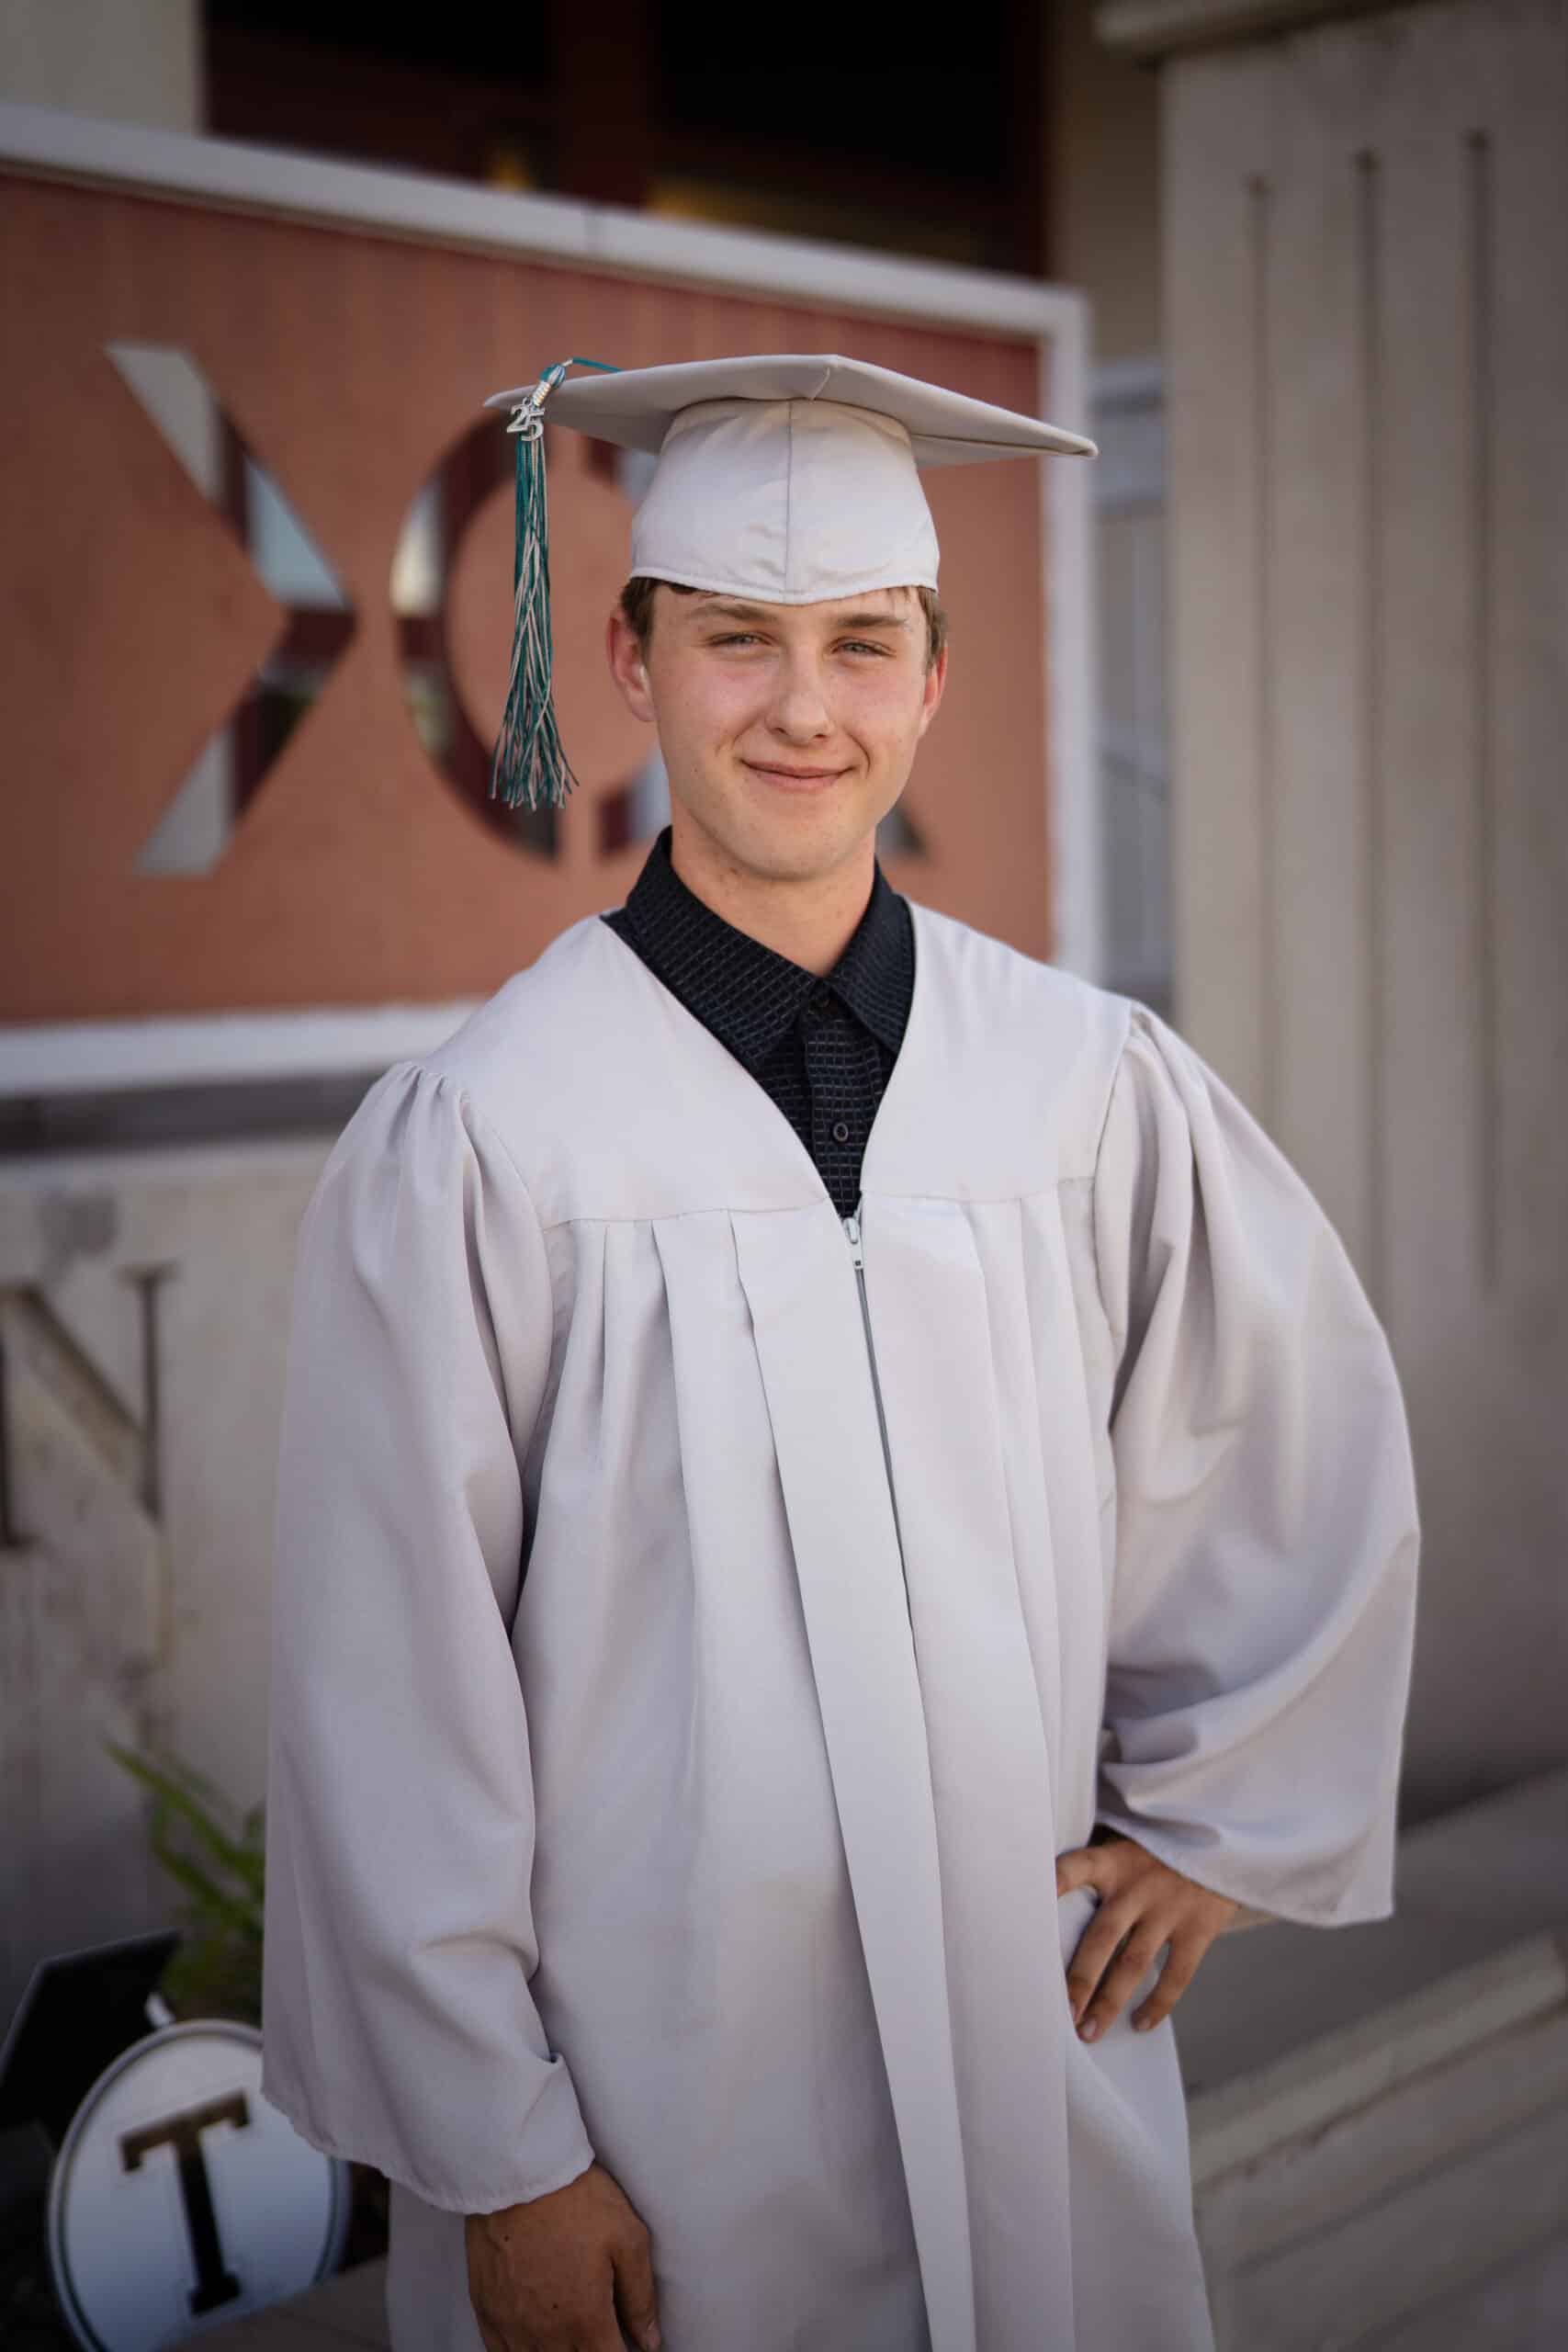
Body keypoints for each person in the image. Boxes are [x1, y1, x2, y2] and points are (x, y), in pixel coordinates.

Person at [261, 356, 1420, 2352]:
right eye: (737, 637)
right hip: (657, 2114)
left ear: (931, 680)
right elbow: (386, 1686)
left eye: (860, 643)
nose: (803, 707)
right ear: (628, 662)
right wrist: (502, 2155)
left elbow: (1278, 1432)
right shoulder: (489, 1137)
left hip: (1030, 2038)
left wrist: (1214, 1815)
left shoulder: (1082, 1085)